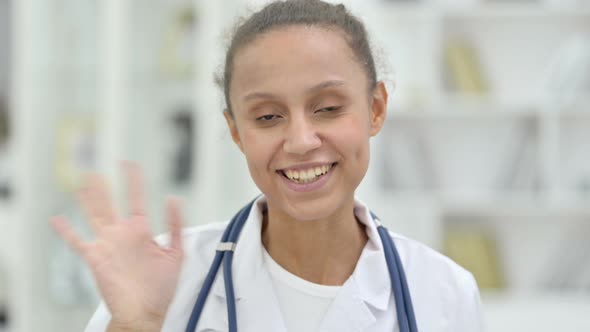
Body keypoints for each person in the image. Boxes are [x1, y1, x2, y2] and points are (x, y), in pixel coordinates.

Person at [51, 1, 484, 331]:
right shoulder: (165, 278)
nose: (300, 141)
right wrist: (137, 325)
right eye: (267, 117)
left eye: (328, 108)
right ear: (236, 131)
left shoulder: (443, 293)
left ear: (375, 108)